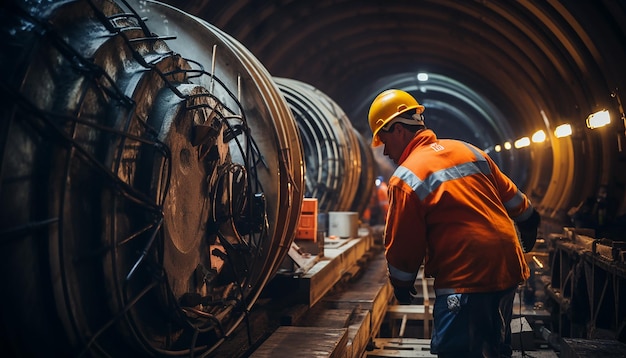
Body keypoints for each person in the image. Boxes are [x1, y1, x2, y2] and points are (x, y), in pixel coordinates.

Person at [367, 89, 540, 357]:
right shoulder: (469, 151)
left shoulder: (406, 177)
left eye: (385, 141)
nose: (386, 151)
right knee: (494, 348)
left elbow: (403, 244)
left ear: (399, 129)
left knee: (458, 352)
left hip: (465, 276)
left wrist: (401, 285)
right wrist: (529, 223)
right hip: (508, 269)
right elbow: (518, 203)